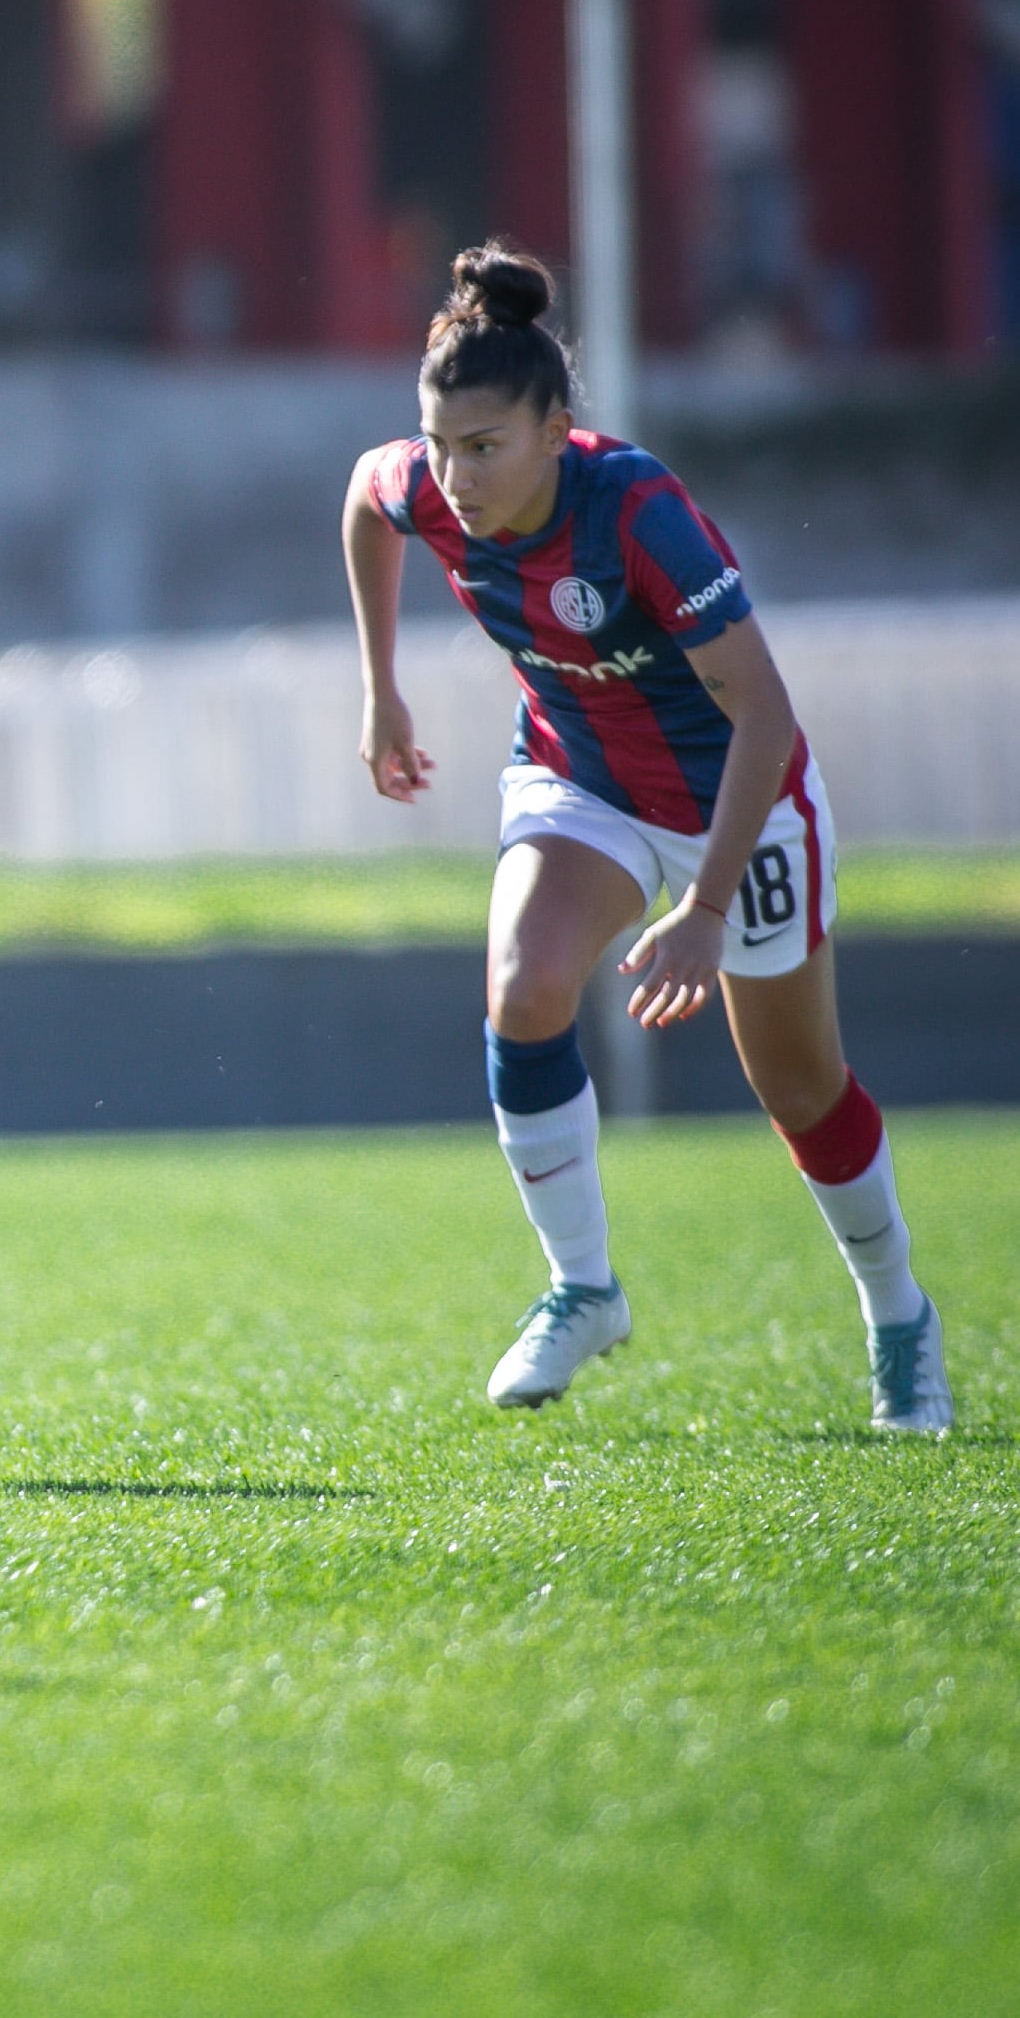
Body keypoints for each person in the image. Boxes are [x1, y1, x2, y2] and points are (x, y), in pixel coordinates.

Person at [343, 242, 947, 1433]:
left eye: (486, 446)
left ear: (557, 425)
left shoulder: (638, 514)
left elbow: (766, 714)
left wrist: (707, 911)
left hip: (742, 800)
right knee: (522, 988)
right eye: (442, 443)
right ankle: (583, 1287)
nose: (455, 476)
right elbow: (366, 501)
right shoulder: (424, 483)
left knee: (800, 1087)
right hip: (581, 780)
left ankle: (899, 1315)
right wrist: (382, 688)